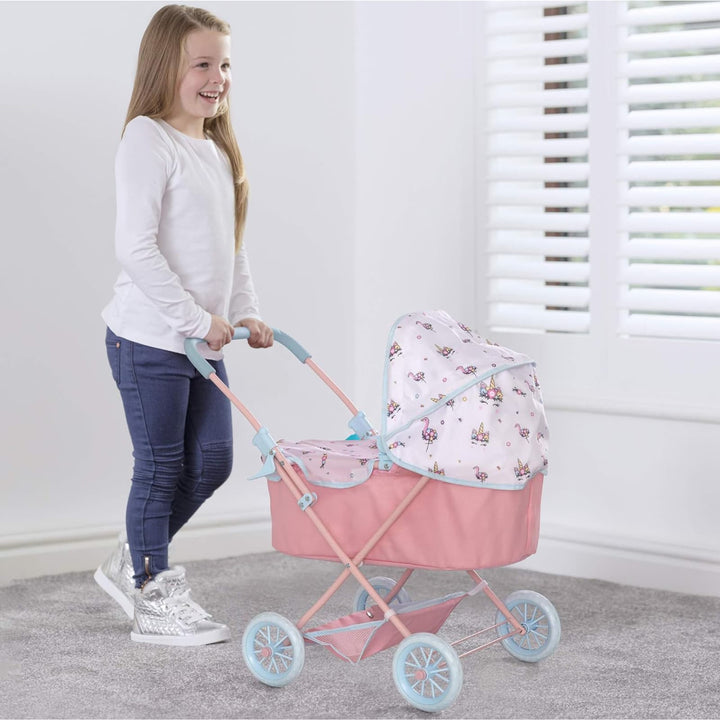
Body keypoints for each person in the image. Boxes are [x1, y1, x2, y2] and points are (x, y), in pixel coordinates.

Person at [95, 4, 273, 646]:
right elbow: (135, 248)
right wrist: (196, 317)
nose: (217, 76)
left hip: (200, 341)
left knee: (214, 462)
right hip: (148, 338)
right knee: (162, 465)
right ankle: (152, 592)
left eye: (224, 64)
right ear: (165, 66)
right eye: (202, 63)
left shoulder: (216, 148)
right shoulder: (147, 137)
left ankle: (135, 558)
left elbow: (232, 247)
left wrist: (245, 309)